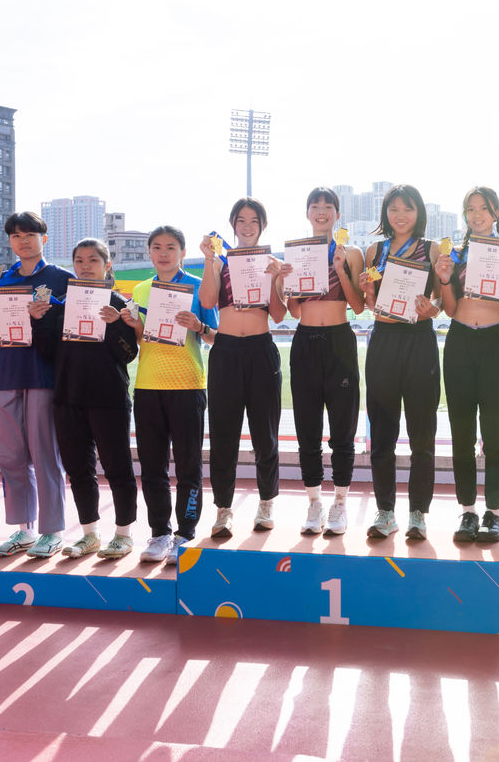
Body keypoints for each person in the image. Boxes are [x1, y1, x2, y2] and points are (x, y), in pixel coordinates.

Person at [30, 239, 140, 559]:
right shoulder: (62, 304)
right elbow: (48, 352)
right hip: (68, 397)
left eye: (93, 260)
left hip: (109, 397)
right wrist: (39, 321)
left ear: (107, 265)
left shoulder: (119, 304)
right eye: (79, 260)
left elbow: (129, 354)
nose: (85, 266)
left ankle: (123, 535)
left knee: (117, 467)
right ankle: (89, 534)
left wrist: (115, 325)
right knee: (78, 469)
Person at [0, 212, 73, 558]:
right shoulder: (0, 281)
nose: (23, 241)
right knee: (11, 457)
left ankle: (52, 531)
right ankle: (24, 530)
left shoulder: (63, 278)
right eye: (16, 236)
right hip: (7, 373)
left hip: (44, 375)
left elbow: (71, 328)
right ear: (10, 241)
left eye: (30, 235)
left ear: (44, 239)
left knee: (45, 454)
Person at [121, 226, 219, 564]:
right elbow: (139, 340)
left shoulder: (198, 286)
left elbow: (216, 337)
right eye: (157, 247)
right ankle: (160, 532)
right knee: (152, 466)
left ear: (182, 252)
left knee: (189, 465)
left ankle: (185, 533)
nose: (164, 253)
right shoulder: (140, 289)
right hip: (148, 386)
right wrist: (132, 323)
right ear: (149, 252)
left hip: (188, 385)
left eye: (171, 247)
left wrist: (198, 327)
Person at [433, 186, 499, 543]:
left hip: (494, 340)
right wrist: (444, 279)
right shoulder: (454, 254)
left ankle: (494, 512)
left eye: (483, 208)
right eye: (470, 209)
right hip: (460, 339)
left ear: (496, 213)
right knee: (461, 431)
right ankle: (468, 510)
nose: (476, 215)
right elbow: (449, 308)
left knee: (495, 430)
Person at [198, 198, 287, 539]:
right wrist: (209, 260)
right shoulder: (220, 261)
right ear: (232, 225)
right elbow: (207, 301)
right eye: (241, 220)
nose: (247, 226)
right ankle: (224, 509)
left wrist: (276, 279)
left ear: (262, 226)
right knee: (223, 435)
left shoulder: (271, 262)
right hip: (226, 350)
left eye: (254, 221)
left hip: (261, 350)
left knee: (266, 434)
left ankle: (266, 503)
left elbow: (278, 314)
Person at [358, 184, 441, 540]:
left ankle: (418, 513)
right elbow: (369, 304)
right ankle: (386, 511)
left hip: (420, 340)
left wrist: (432, 308)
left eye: (407, 209)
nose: (400, 216)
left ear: (418, 212)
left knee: (422, 434)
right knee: (382, 433)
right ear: (385, 214)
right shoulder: (374, 250)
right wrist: (366, 288)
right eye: (394, 209)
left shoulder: (432, 249)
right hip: (384, 339)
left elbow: (441, 299)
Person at [287, 188, 365, 536]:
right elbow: (292, 311)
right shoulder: (297, 252)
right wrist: (285, 281)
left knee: (342, 429)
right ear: (307, 213)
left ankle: (340, 503)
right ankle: (314, 502)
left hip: (339, 340)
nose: (321, 212)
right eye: (315, 206)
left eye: (328, 207)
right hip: (305, 340)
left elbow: (359, 306)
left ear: (337, 214)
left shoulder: (351, 252)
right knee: (307, 429)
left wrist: (341, 270)